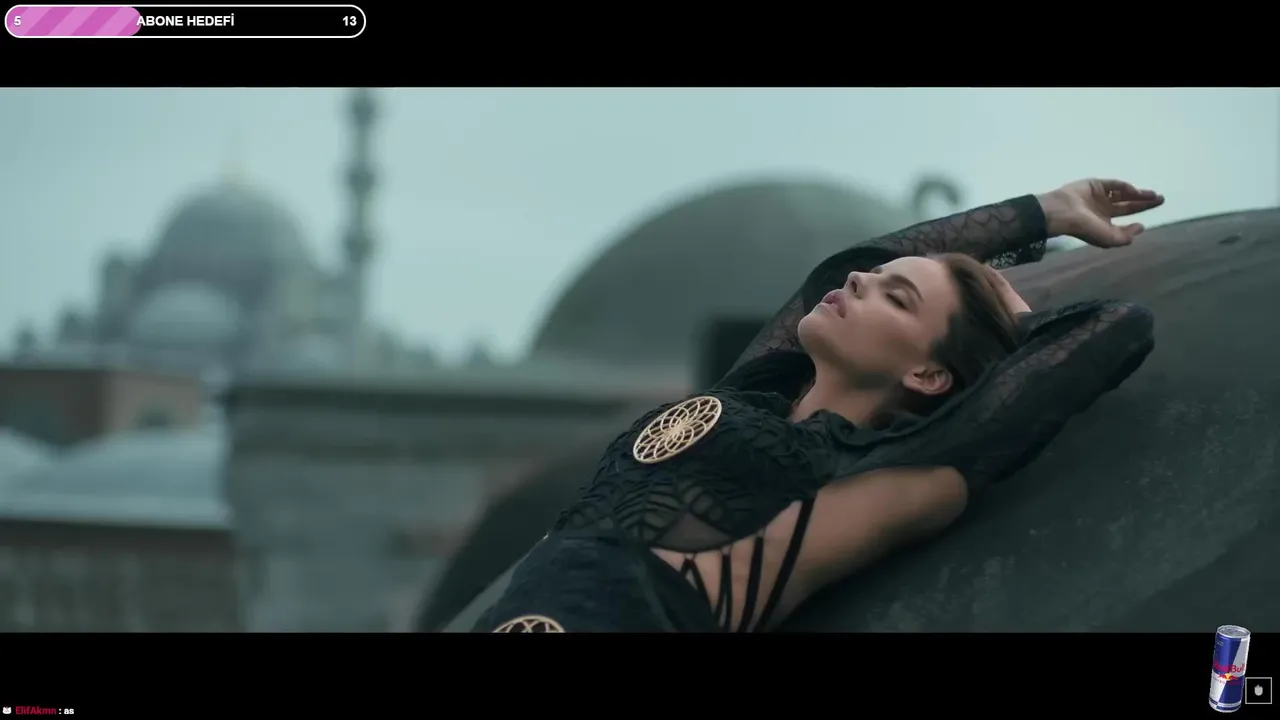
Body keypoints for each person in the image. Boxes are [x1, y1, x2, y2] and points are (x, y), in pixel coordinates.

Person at [472, 178, 1161, 633]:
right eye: (874, 279)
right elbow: (847, 263)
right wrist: (1044, 210)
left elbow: (1117, 327)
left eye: (897, 298)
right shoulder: (749, 396)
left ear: (928, 373)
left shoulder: (884, 471)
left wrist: (1009, 311)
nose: (859, 280)